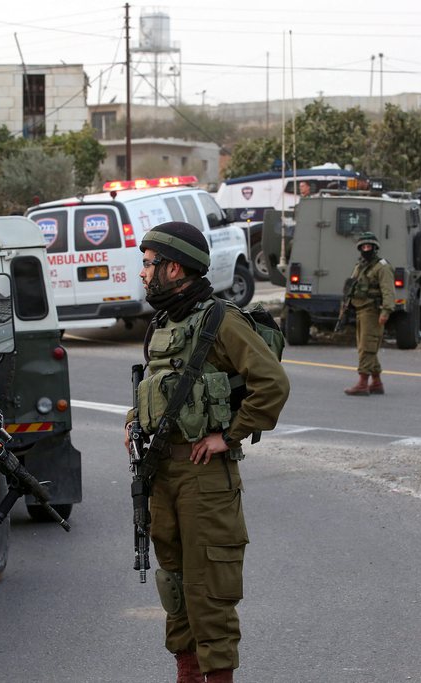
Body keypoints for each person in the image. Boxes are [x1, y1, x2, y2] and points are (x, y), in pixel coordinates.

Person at [128, 222, 289, 683]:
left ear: (173, 267)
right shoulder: (164, 322)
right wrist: (130, 423)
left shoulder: (221, 320)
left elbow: (271, 384)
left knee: (209, 592)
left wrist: (230, 434)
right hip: (163, 476)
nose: (143, 273)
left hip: (205, 479)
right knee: (174, 586)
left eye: (148, 263)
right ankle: (187, 673)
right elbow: (152, 389)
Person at [341, 232, 396, 396]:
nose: (366, 249)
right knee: (364, 346)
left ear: (374, 247)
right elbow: (351, 286)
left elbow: (388, 291)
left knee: (367, 347)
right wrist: (345, 307)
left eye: (369, 246)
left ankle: (363, 383)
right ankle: (376, 382)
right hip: (360, 309)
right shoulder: (361, 266)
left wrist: (386, 311)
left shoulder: (382, 267)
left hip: (373, 311)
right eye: (363, 246)